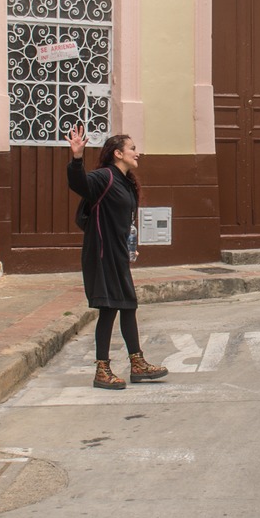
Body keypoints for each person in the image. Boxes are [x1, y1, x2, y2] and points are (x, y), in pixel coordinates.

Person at [67, 124, 168, 391]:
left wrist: (130, 245)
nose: (138, 153)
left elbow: (124, 221)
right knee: (110, 308)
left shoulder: (126, 182)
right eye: (132, 149)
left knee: (127, 305)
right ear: (117, 154)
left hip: (117, 254)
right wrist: (77, 157)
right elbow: (79, 183)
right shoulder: (104, 176)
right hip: (101, 254)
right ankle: (102, 370)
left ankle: (137, 363)